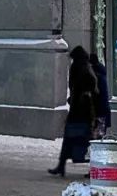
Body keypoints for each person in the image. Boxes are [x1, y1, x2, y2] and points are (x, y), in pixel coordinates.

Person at [48, 45, 98, 177]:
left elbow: (82, 88)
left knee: (78, 140)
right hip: (82, 111)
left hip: (80, 112)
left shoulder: (79, 68)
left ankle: (64, 165)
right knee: (77, 140)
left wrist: (78, 97)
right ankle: (62, 165)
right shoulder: (85, 68)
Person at [90, 50, 112, 139]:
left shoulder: (96, 76)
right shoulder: (102, 73)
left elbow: (95, 93)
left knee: (96, 136)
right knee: (100, 133)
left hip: (98, 109)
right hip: (103, 109)